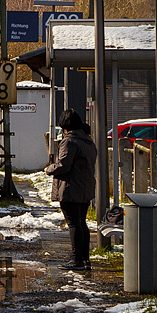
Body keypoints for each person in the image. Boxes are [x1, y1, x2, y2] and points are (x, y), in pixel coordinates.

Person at [45, 109, 97, 272]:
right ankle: (84, 259)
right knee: (81, 223)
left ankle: (77, 260)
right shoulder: (87, 141)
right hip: (85, 188)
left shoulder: (69, 141)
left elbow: (63, 165)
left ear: (65, 126)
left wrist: (49, 169)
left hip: (70, 189)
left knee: (74, 224)